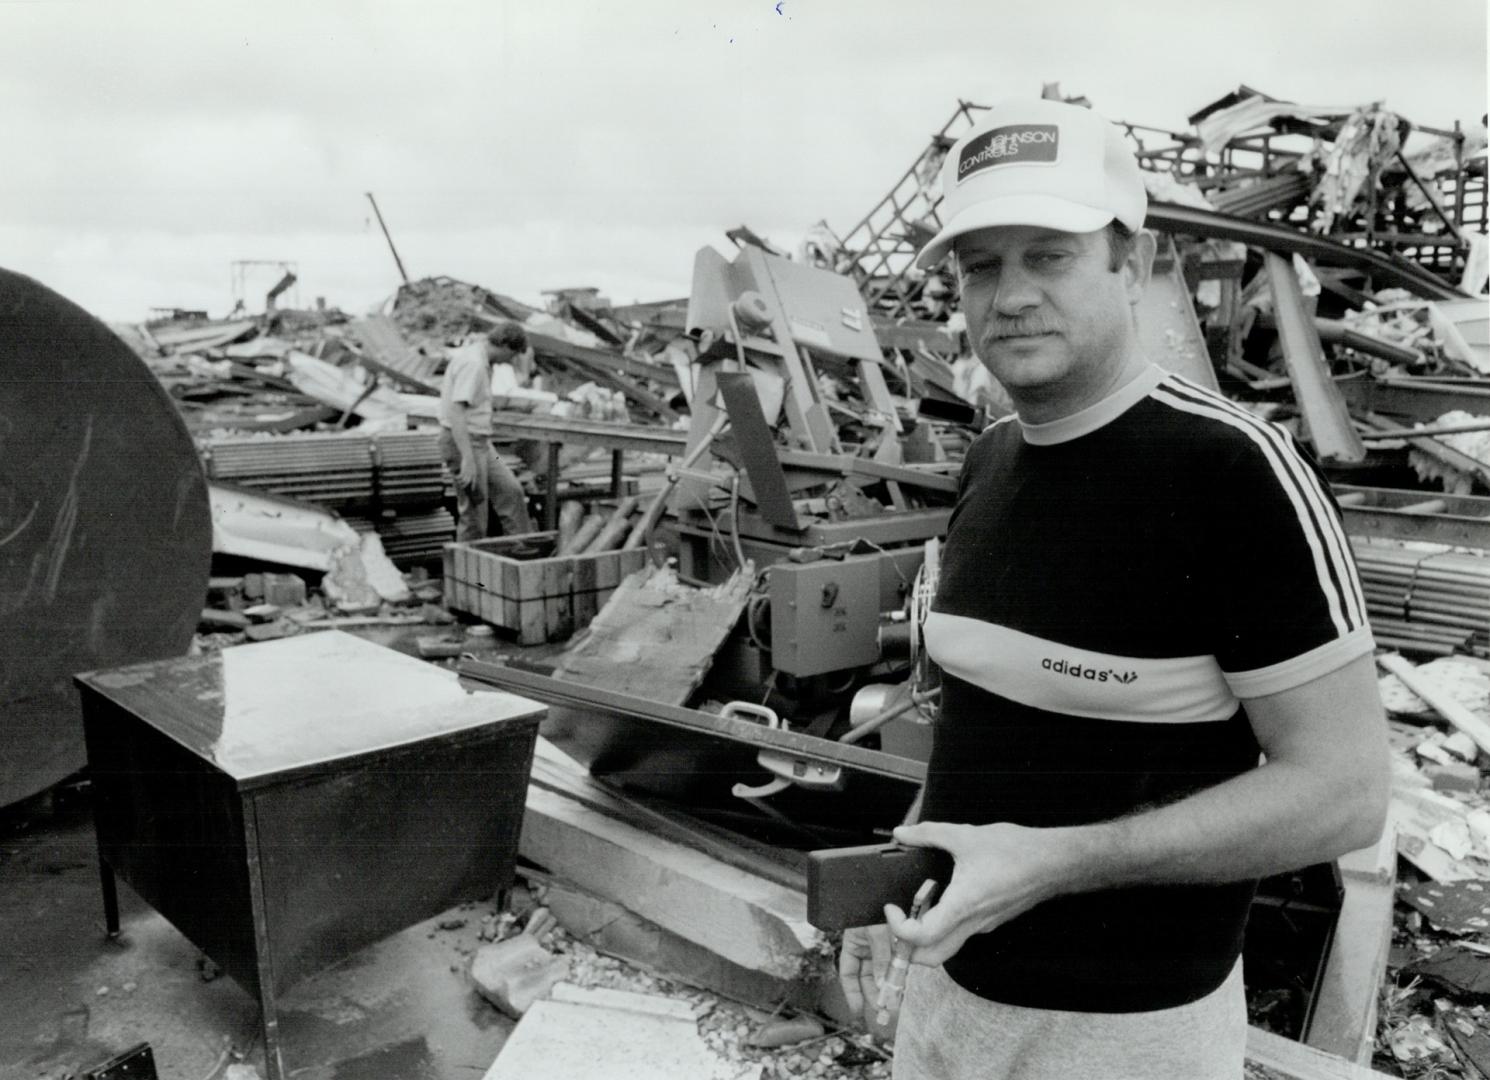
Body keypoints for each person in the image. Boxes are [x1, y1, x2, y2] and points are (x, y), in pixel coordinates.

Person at [837, 98, 1390, 1080]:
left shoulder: (1231, 476)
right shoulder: (990, 462)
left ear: (1130, 265)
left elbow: (1342, 795)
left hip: (1123, 1039)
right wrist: (903, 887)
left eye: (1046, 255)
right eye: (979, 266)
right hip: (945, 1003)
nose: (1006, 296)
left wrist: (1055, 863)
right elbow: (980, 726)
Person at [438, 322, 536, 542]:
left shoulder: (483, 361)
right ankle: (469, 572)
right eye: (512, 355)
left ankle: (522, 549)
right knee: (474, 513)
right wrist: (467, 459)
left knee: (511, 491)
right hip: (463, 442)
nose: (510, 361)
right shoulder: (473, 364)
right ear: (504, 345)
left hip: (481, 441)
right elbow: (456, 412)